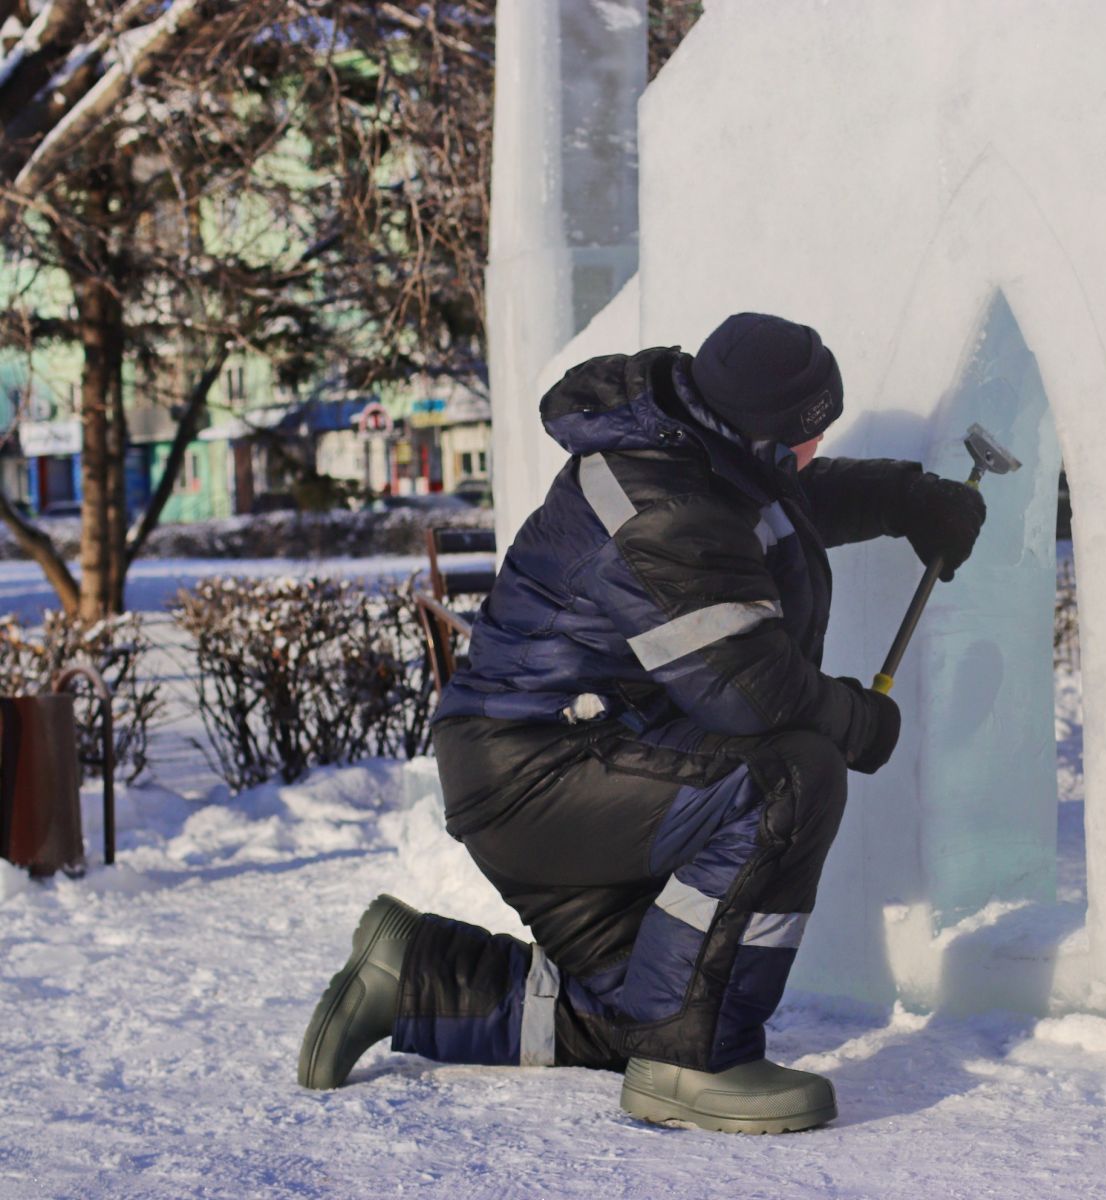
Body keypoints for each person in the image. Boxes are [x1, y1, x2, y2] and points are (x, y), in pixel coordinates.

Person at [296, 313, 987, 1134]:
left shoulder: (696, 451)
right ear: (759, 437)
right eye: (806, 438)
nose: (812, 452)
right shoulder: (663, 508)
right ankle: (697, 1066)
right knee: (790, 776)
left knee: (647, 1010)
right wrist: (861, 724)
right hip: (541, 772)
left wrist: (905, 498)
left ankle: (411, 975)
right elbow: (752, 692)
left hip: (575, 753)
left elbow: (789, 501)